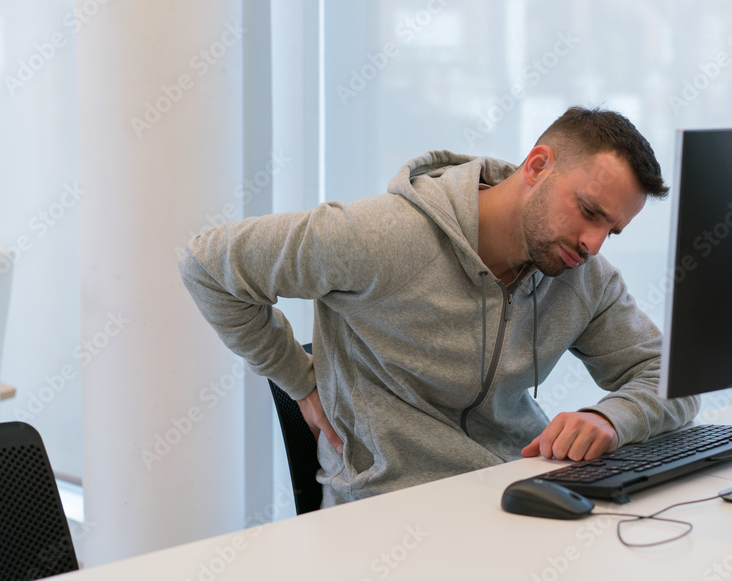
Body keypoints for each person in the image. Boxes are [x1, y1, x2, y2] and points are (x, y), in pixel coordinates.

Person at [179, 106, 700, 507]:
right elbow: (207, 264)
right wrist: (299, 381)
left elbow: (674, 376)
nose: (593, 243)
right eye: (588, 211)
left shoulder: (582, 276)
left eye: (612, 229)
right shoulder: (379, 237)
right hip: (389, 511)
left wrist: (612, 417)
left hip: (516, 493)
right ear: (538, 166)